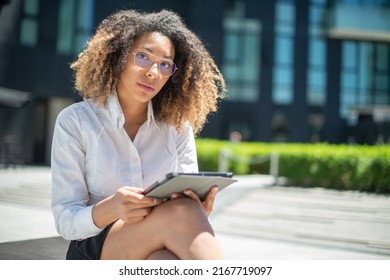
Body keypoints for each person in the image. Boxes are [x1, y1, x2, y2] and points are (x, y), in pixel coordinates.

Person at [51, 9, 227, 260]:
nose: (154, 73)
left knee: (164, 261)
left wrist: (200, 208)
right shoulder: (76, 121)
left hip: (158, 239)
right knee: (182, 212)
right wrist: (111, 207)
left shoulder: (178, 128)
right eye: (143, 57)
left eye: (165, 64)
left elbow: (186, 203)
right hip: (95, 246)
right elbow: (65, 221)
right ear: (119, 57)